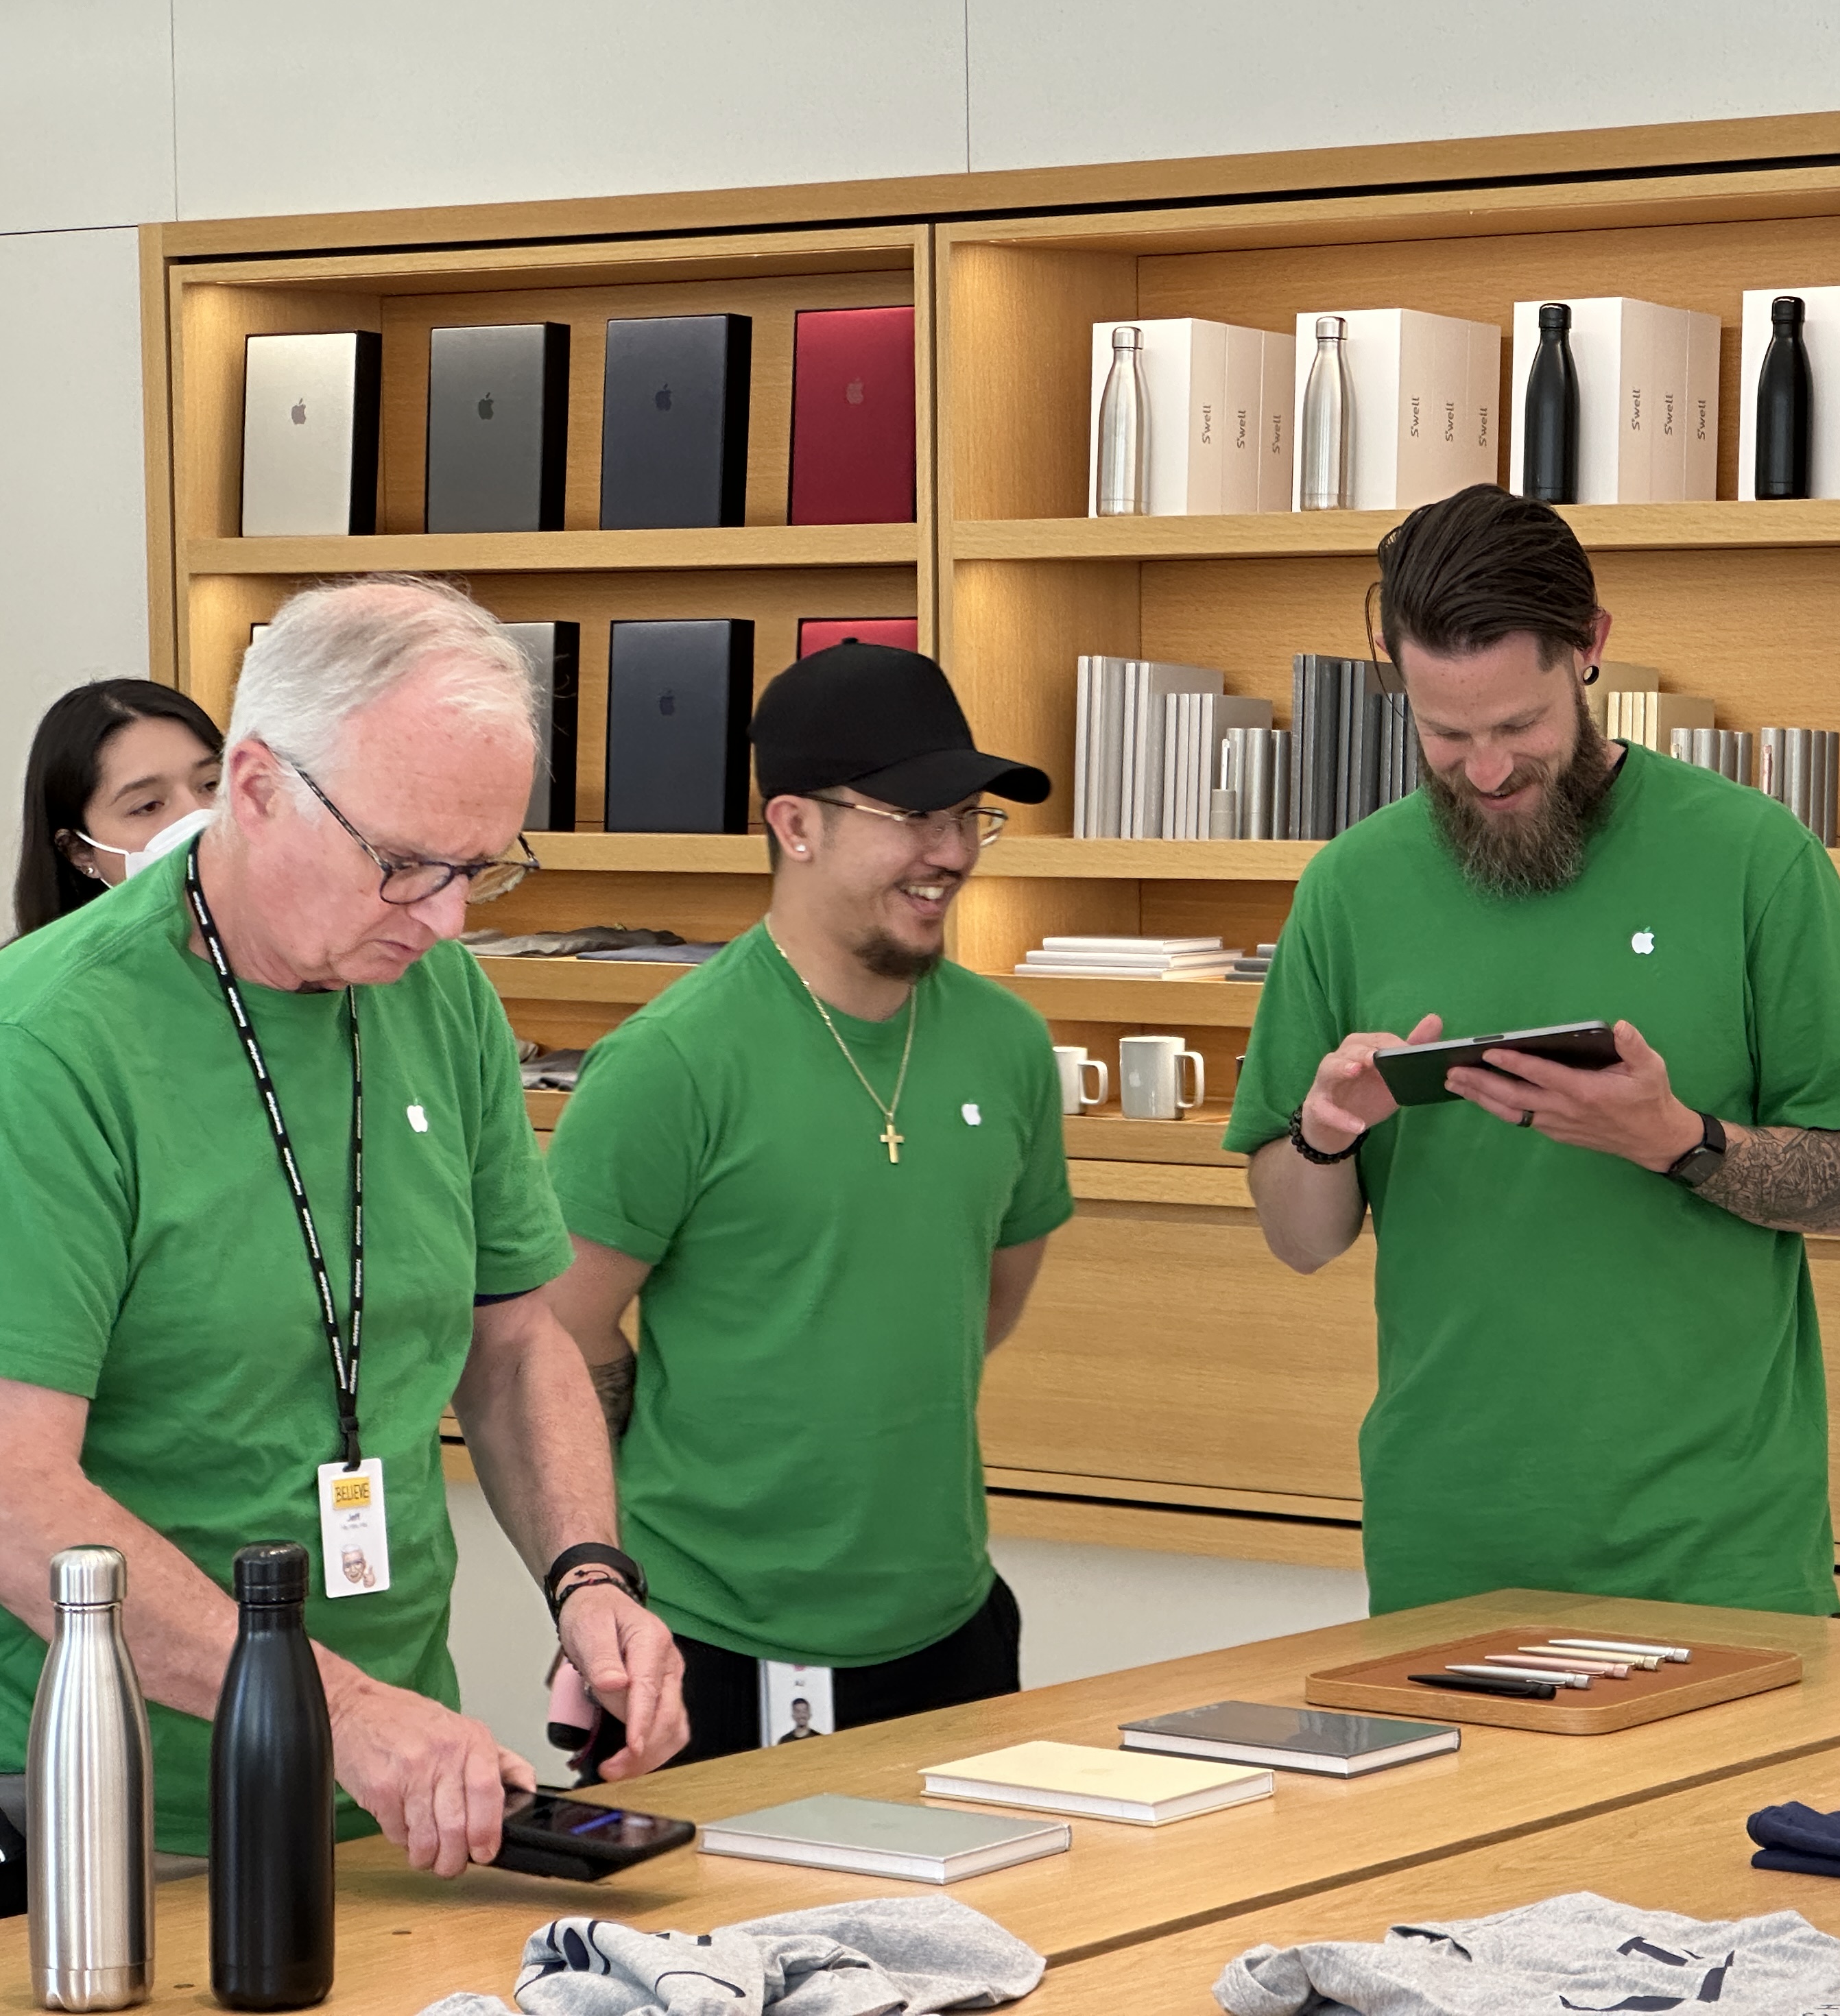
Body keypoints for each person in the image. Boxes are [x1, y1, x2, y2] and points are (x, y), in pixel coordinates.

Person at [0, 576, 689, 1877]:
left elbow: (514, 1341)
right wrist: (346, 1712)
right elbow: (17, 1498)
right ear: (256, 787)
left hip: (395, 1796)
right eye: (404, 863)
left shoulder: (442, 996)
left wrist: (590, 1575)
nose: (446, 917)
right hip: (113, 1814)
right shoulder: (47, 1044)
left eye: (479, 868)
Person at [1226, 483, 1840, 1619]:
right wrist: (1325, 1132)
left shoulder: (1754, 857)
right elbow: (1300, 1241)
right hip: (1444, 1550)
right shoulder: (1347, 886)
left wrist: (1679, 1140)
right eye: (1445, 734)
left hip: (1717, 1557)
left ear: (1589, 647)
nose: (1487, 769)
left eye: (1518, 726)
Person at [541, 641, 1068, 1767]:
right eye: (914, 815)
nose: (951, 852)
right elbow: (556, 1331)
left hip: (952, 1628)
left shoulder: (1010, 1046)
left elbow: (981, 1304)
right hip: (707, 1645)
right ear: (794, 824)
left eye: (966, 817)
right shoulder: (671, 1063)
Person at [14, 677, 224, 936]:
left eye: (212, 785)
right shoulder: (45, 964)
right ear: (80, 851)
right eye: (148, 806)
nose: (197, 815)